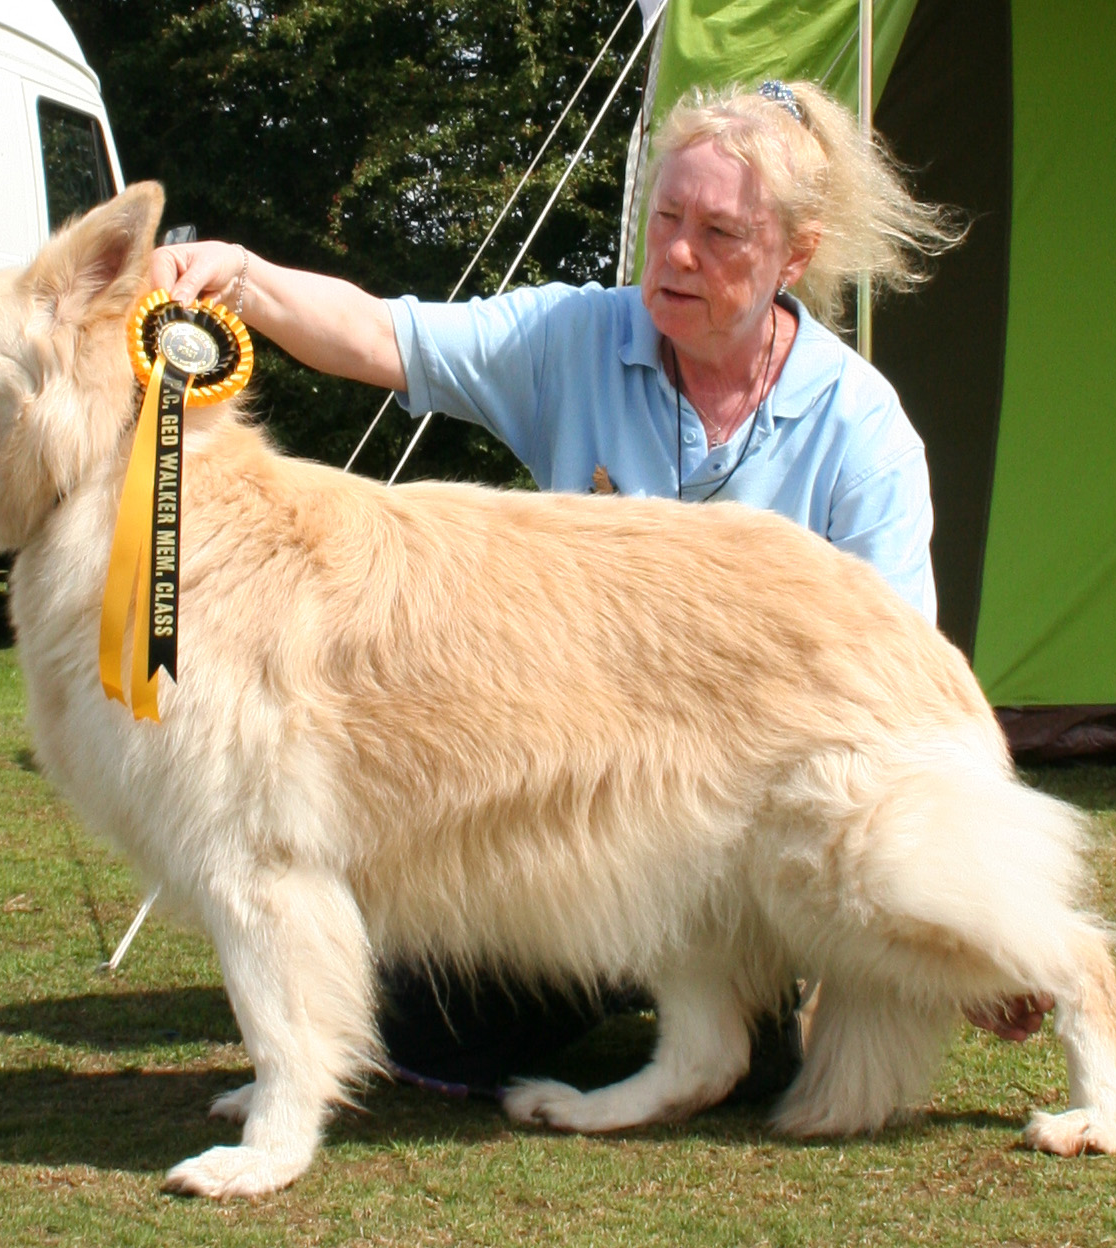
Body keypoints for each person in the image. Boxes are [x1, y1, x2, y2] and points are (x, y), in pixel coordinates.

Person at [150, 78, 1052, 1097]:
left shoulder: (864, 430)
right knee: (430, 1034)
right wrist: (245, 279)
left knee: (772, 1065)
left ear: (793, 258)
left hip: (749, 825)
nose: (675, 255)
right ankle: (628, 978)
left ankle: (752, 987)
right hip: (573, 811)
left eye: (719, 234)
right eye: (665, 218)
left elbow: (902, 683)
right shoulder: (573, 338)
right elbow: (384, 337)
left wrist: (966, 914)